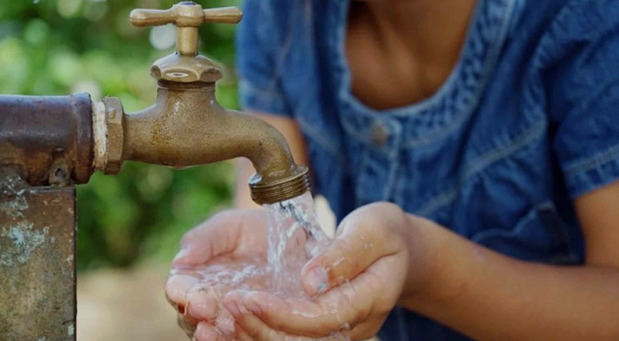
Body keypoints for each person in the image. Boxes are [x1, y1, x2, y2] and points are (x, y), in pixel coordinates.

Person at [166, 0, 619, 339]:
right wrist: (254, 281)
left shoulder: (585, 23)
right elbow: (270, 191)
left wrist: (426, 265)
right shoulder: (281, 14)